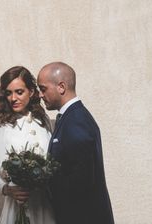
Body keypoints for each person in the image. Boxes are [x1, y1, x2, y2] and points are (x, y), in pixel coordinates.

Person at [37, 62, 114, 224]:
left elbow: (80, 184)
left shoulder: (76, 122)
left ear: (61, 87)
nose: (40, 95)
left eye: (43, 89)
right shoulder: (72, 117)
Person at [0, 66, 56, 224]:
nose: (13, 98)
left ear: (31, 92)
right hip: (18, 208)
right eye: (8, 93)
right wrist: (8, 190)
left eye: (19, 92)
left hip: (45, 207)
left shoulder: (42, 120)